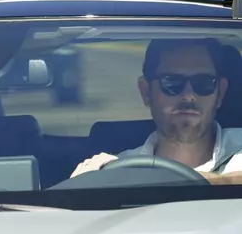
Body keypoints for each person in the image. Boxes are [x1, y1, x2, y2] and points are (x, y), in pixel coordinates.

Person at [71, 38, 242, 185]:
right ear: (146, 92)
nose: (189, 96)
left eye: (203, 83)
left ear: (220, 92)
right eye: (172, 83)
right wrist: (86, 182)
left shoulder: (121, 177)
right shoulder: (117, 167)